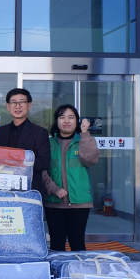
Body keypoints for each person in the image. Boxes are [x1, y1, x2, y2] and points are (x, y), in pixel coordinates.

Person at [42, 104, 99, 252]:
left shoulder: (84, 140)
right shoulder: (48, 143)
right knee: (56, 245)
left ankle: (78, 268)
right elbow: (42, 171)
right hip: (54, 203)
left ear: (77, 121)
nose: (66, 121)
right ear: (56, 121)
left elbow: (90, 160)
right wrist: (54, 189)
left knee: (77, 244)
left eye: (71, 117)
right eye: (62, 117)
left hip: (80, 202)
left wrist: (85, 134)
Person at [0, 88, 51, 194]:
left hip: (29, 190)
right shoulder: (1, 131)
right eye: (13, 102)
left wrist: (14, 162)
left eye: (22, 102)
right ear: (8, 106)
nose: (17, 106)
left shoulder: (40, 132)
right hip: (2, 190)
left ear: (29, 105)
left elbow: (44, 162)